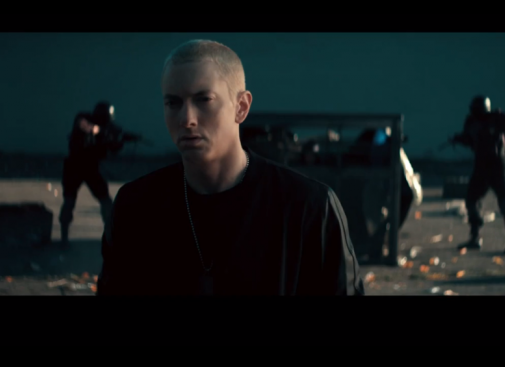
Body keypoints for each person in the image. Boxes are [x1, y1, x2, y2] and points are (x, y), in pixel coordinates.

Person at [96, 39, 364, 295]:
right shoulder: (135, 207)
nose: (186, 119)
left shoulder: (309, 208)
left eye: (203, 100)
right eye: (173, 103)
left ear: (241, 107)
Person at [58, 101, 141, 247]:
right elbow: (90, 128)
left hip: (90, 168)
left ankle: (110, 235)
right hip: (74, 167)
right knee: (69, 201)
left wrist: (120, 140)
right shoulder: (83, 119)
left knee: (106, 201)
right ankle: (64, 236)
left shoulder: (106, 130)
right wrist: (108, 133)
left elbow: (112, 148)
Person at [449, 95, 505, 256]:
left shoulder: (495, 118)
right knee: (471, 201)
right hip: (481, 165)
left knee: (504, 203)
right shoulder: (471, 122)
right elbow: (469, 139)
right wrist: (458, 139)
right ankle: (475, 237)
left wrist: (501, 118)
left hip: (497, 165)